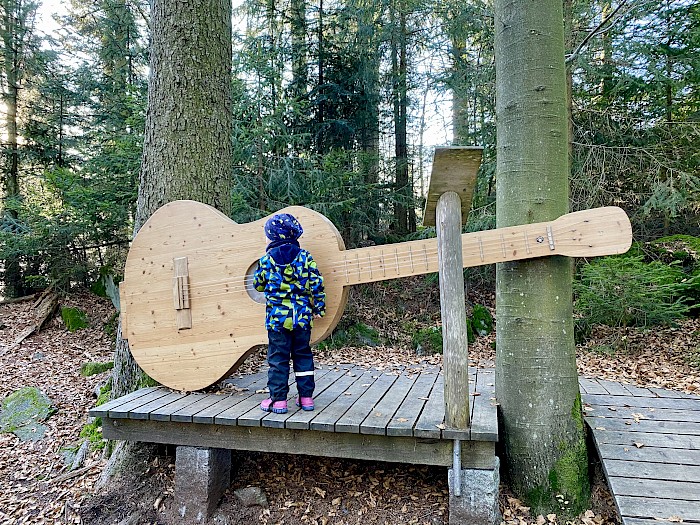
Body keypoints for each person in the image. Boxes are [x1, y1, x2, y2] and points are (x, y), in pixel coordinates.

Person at [253, 213, 326, 414]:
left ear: (275, 237)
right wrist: (319, 307)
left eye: (267, 235)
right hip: (302, 319)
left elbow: (257, 285)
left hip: (277, 321)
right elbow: (317, 285)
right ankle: (306, 398)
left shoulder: (266, 260)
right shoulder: (305, 258)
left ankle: (278, 401)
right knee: (303, 356)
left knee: (278, 359)